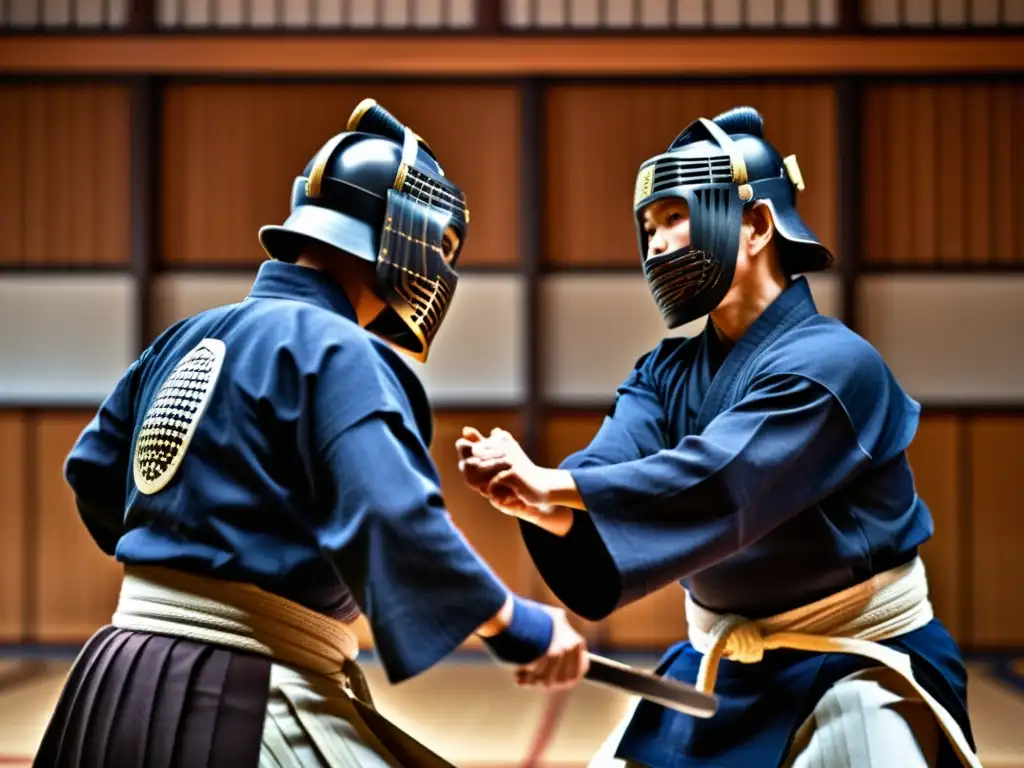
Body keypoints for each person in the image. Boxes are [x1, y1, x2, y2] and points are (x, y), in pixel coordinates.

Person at [34, 98, 588, 768]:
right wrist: (519, 625)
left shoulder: (187, 337)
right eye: (440, 248)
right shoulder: (343, 353)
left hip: (112, 682)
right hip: (240, 692)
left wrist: (185, 563)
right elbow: (395, 518)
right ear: (403, 238)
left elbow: (94, 473)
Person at [457, 107, 981, 768]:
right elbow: (612, 461)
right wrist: (547, 506)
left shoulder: (836, 367)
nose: (656, 244)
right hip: (719, 663)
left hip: (851, 661)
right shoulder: (665, 370)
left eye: (675, 216)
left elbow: (721, 481)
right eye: (648, 227)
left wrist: (560, 485)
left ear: (757, 225)